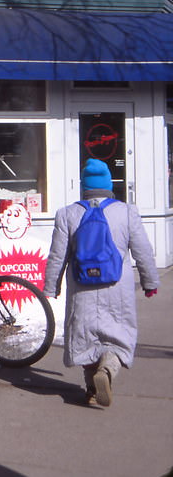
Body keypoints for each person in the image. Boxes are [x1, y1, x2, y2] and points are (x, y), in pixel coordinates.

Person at [43, 158, 159, 407]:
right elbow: (143, 252)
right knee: (118, 337)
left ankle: (91, 388)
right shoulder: (127, 212)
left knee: (85, 338)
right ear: (108, 185)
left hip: (81, 287)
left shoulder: (68, 214)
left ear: (84, 186)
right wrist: (150, 282)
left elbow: (57, 255)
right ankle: (106, 370)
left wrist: (51, 286)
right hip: (117, 288)